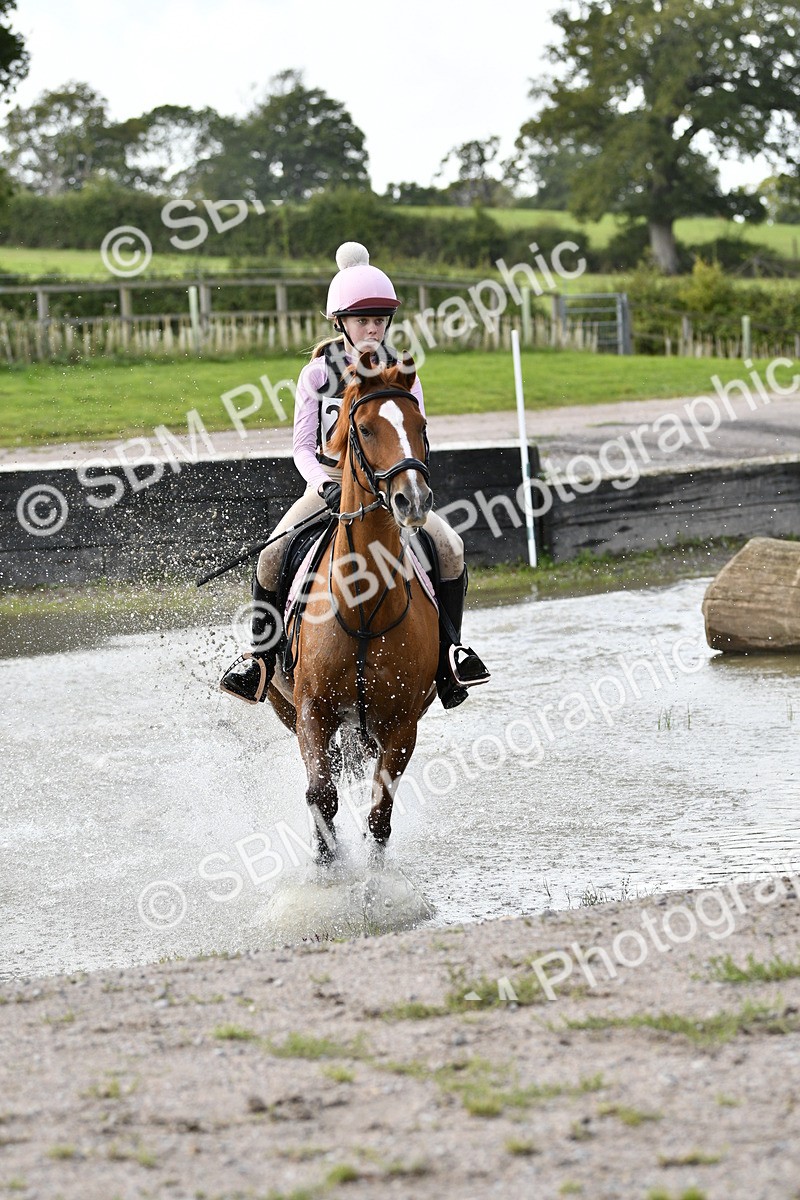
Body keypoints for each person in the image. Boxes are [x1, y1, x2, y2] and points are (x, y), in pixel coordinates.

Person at [219, 242, 490, 709]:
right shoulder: (318, 376)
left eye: (380, 319)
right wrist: (323, 485)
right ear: (340, 322)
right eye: (363, 319)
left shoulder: (402, 372)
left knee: (450, 547)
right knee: (272, 556)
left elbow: (417, 436)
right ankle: (261, 662)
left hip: (388, 488)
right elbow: (303, 447)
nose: (373, 328)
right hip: (326, 485)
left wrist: (406, 481)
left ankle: (450, 656)